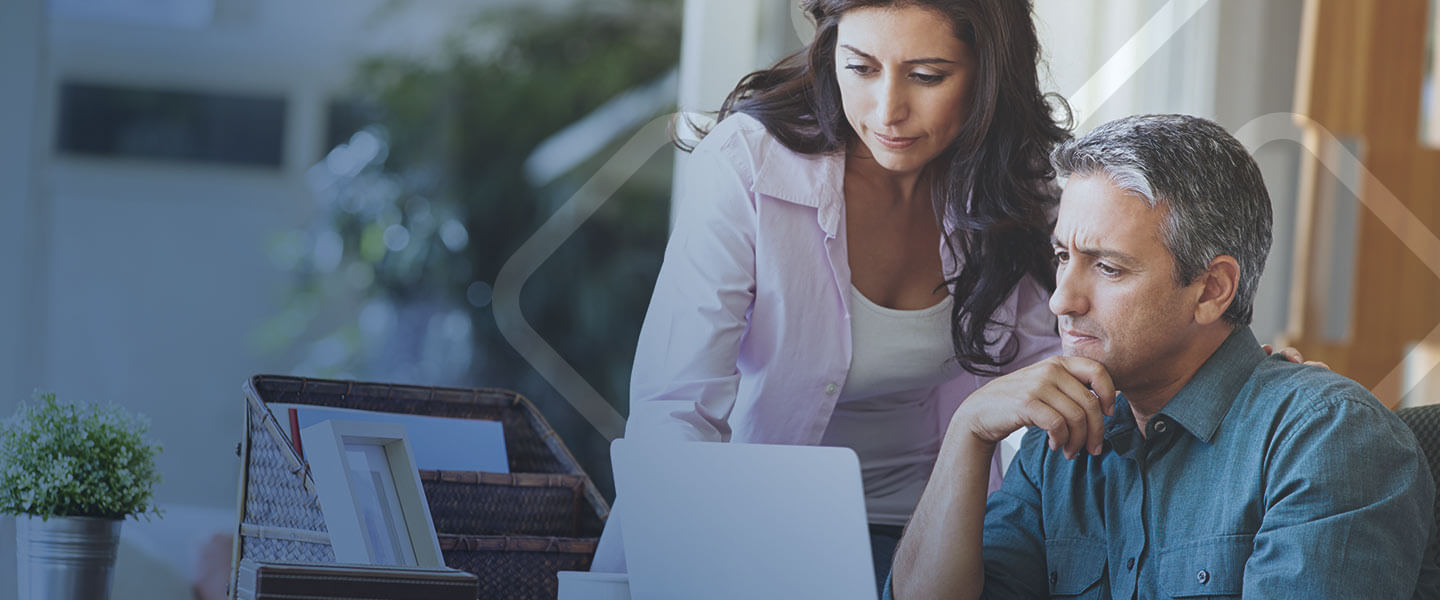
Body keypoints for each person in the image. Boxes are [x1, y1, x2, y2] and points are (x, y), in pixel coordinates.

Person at [593, 0, 1068, 586]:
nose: (887, 110)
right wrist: (686, 568)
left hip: (934, 538)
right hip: (748, 531)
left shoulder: (1019, 188)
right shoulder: (750, 164)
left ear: (990, 71)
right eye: (861, 67)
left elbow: (1058, 365)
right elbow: (677, 409)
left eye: (926, 76)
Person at [888, 114, 1439, 599]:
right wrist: (969, 432)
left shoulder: (1325, 439)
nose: (1061, 300)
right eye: (1062, 256)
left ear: (1211, 290)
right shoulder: (1055, 441)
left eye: (1108, 267)